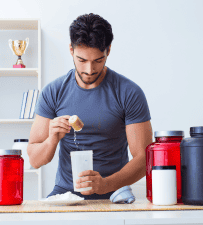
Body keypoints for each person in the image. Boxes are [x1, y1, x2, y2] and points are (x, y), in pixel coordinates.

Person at [27, 13, 153, 200]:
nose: (89, 70)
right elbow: (35, 160)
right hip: (65, 194)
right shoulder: (53, 92)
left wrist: (105, 185)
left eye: (98, 61)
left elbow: (144, 160)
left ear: (108, 51)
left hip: (114, 193)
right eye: (82, 60)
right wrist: (52, 139)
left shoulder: (129, 92)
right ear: (71, 49)